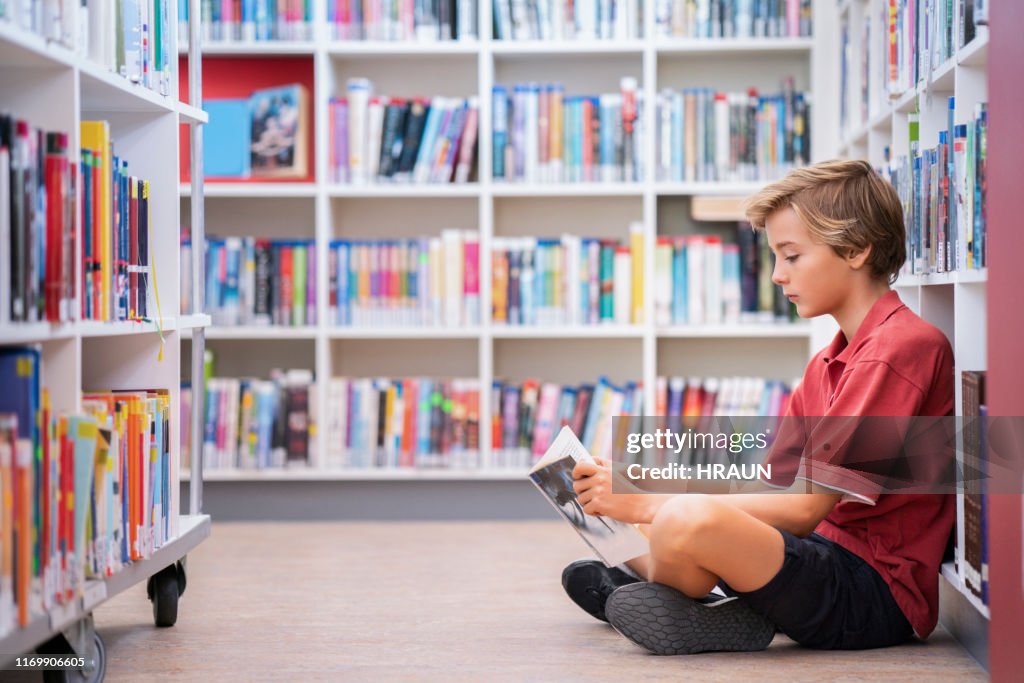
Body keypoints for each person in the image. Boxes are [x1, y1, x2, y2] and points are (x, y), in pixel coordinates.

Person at [563, 159, 955, 655]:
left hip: (873, 593)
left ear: (855, 250)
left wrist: (646, 500)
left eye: (790, 256)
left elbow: (804, 508)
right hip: (816, 555)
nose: (775, 275)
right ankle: (683, 598)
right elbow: (772, 489)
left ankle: (664, 592)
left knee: (683, 519)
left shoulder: (901, 349)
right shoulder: (829, 361)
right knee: (671, 513)